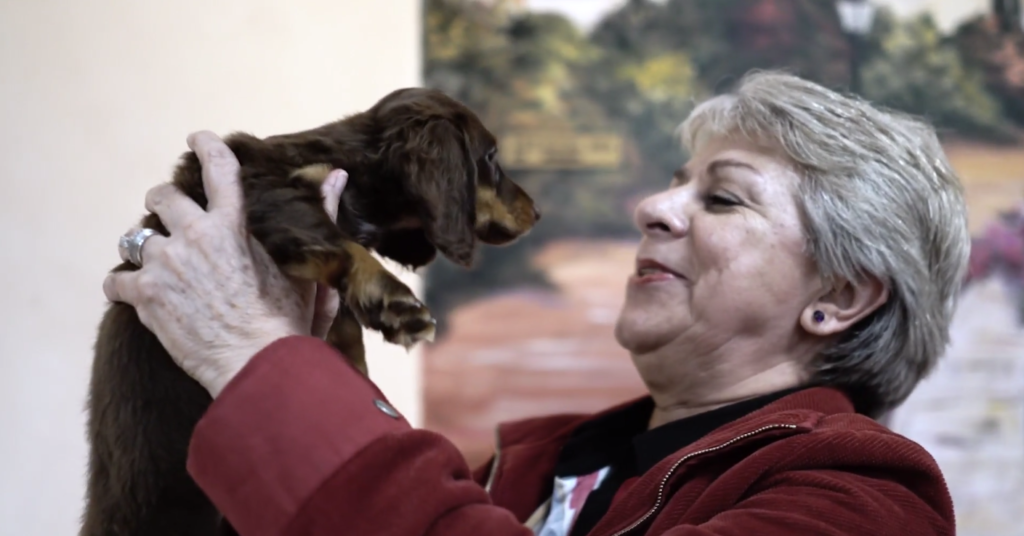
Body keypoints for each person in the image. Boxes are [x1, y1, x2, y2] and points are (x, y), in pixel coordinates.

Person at [104, 71, 967, 536]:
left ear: (839, 297)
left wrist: (256, 359)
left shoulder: (865, 502)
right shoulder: (516, 473)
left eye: (724, 199)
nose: (652, 209)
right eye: (673, 185)